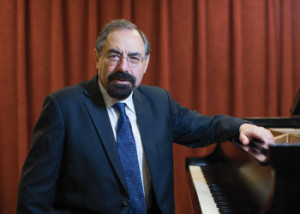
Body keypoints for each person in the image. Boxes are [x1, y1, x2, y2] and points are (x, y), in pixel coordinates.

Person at [17, 19, 274, 214]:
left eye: (133, 58)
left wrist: (240, 126)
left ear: (145, 63)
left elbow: (202, 125)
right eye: (114, 55)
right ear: (97, 57)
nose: (123, 68)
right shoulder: (62, 107)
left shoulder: (159, 101)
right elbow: (33, 197)